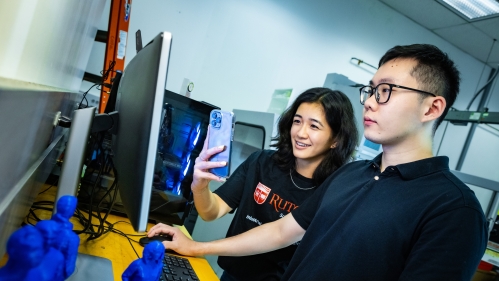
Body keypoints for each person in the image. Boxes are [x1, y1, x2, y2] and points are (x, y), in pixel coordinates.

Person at [148, 44, 488, 280]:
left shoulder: (453, 210)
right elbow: (281, 231)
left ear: (431, 108)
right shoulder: (354, 175)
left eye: (385, 91)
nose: (369, 102)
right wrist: (196, 247)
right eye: (369, 90)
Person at [180, 87, 358, 280]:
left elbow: (280, 234)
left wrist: (196, 247)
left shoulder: (332, 191)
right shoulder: (262, 162)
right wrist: (200, 187)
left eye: (314, 126)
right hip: (233, 275)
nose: (300, 133)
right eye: (297, 121)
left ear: (336, 140)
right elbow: (211, 212)